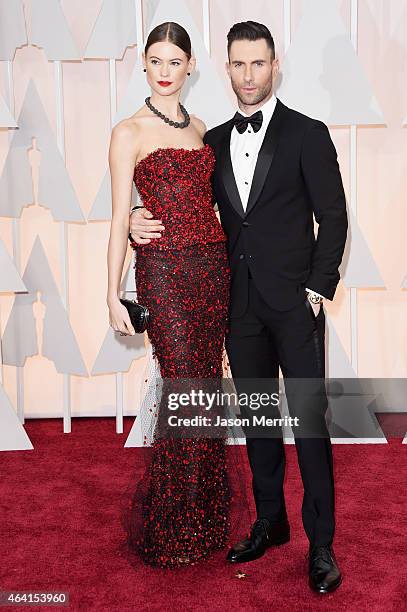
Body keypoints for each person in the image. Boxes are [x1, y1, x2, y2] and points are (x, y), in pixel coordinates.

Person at [129, 21, 348, 592]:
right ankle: (270, 521)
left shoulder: (308, 133)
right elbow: (187, 210)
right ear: (225, 69)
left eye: (258, 64)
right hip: (238, 306)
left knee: (309, 426)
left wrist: (319, 289)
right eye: (238, 64)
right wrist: (136, 218)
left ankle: (320, 545)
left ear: (274, 67)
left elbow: (335, 216)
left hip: (297, 306)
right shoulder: (214, 141)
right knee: (258, 423)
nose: (248, 75)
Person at [107, 21, 244, 569]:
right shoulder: (128, 132)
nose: (165, 73)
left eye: (175, 62)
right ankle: (172, 525)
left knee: (203, 390)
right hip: (162, 273)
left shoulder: (202, 129)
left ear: (190, 68)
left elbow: (209, 204)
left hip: (212, 267)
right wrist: (110, 294)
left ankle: (204, 519)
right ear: (144, 65)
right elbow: (120, 218)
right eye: (155, 62)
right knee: (183, 385)